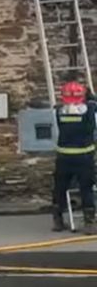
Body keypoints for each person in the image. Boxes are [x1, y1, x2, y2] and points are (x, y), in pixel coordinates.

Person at [51, 81, 97, 234]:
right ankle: (89, 223)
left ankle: (58, 221)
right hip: (84, 157)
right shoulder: (89, 109)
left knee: (60, 188)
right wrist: (91, 98)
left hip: (63, 157)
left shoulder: (59, 111)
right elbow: (91, 124)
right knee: (86, 189)